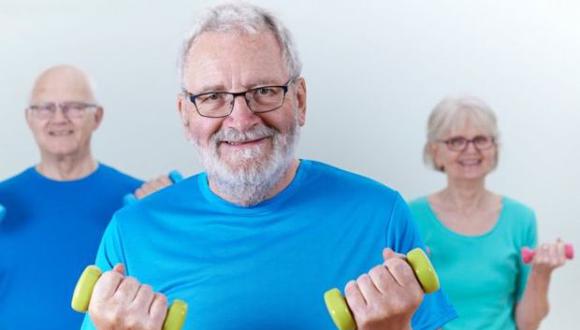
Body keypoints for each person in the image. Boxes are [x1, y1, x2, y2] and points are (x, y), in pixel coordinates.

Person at [82, 3, 456, 330]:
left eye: (263, 91)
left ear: (300, 100)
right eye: (213, 97)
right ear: (185, 116)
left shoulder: (382, 215)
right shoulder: (130, 234)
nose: (241, 120)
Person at [0, 65, 145, 329]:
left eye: (74, 107)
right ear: (28, 118)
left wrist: (174, 214)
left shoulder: (139, 204)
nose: (59, 118)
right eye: (45, 108)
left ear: (97, 117)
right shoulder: (3, 203)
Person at [409, 96, 569, 329]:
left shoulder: (521, 218)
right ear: (435, 152)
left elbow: (528, 324)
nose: (470, 150)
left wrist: (541, 273)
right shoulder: (412, 216)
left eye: (480, 139)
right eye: (456, 141)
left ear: (494, 148)